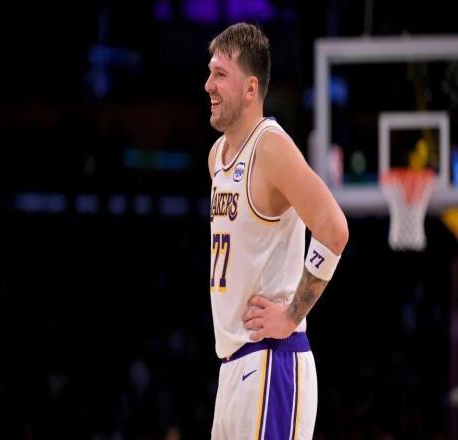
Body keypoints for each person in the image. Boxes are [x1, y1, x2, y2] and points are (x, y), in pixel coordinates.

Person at [205, 23, 349, 439]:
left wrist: (291, 315)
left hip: (272, 360)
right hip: (233, 366)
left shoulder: (270, 146)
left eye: (220, 74)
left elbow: (334, 229)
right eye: (210, 72)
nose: (208, 85)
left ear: (251, 88)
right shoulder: (218, 156)